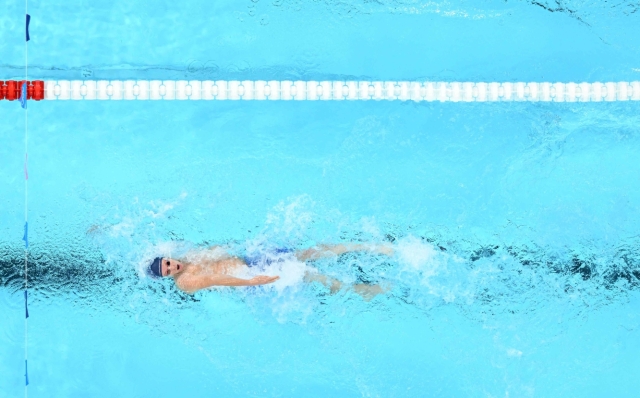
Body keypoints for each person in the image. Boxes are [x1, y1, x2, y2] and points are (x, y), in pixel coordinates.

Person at [147, 243, 393, 300]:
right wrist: (252, 281)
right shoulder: (186, 282)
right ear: (168, 277)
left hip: (250, 259)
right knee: (305, 273)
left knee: (308, 252)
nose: (172, 266)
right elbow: (216, 278)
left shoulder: (186, 256)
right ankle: (360, 290)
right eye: (167, 270)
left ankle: (368, 246)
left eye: (167, 262)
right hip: (248, 277)